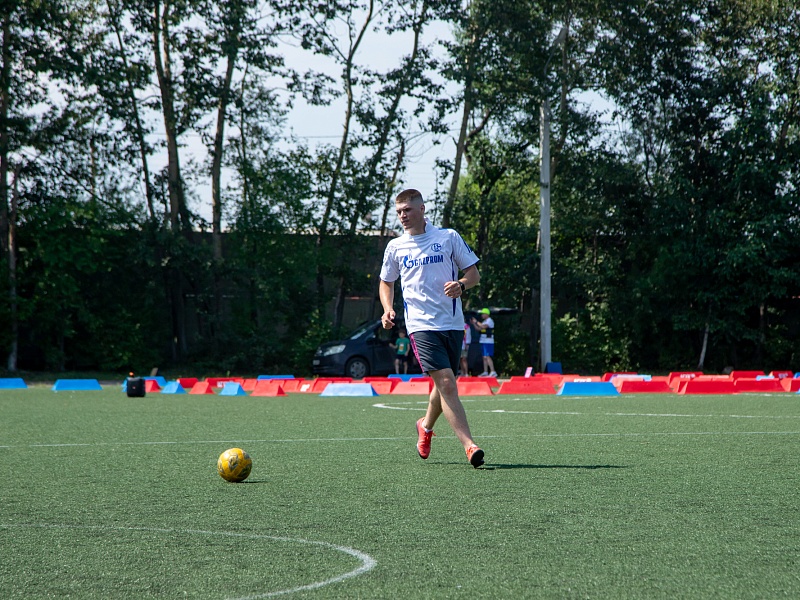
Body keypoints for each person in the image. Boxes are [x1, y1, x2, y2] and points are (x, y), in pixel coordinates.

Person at [379, 188, 485, 468]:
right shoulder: (396, 247)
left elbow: (474, 274)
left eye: (407, 210)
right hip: (420, 325)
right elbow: (386, 282)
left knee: (444, 383)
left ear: (422, 209)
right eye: (399, 211)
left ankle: (425, 426)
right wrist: (387, 308)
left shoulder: (448, 237)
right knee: (447, 382)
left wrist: (461, 285)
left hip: (452, 323)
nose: (402, 216)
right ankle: (470, 446)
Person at [471, 308, 497, 377]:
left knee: (487, 356)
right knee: (484, 357)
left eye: (483, 314)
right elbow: (478, 329)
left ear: (486, 314)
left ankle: (493, 371)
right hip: (483, 341)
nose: (482, 315)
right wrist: (474, 323)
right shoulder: (484, 321)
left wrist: (476, 321)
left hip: (488, 341)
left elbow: (483, 326)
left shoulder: (490, 321)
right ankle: (485, 371)